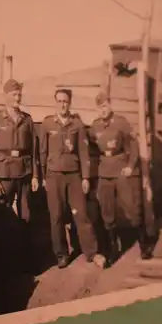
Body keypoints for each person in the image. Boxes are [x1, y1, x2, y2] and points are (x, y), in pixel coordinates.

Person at [40, 88, 106, 269]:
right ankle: (61, 254)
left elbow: (84, 153)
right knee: (57, 217)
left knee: (82, 215)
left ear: (70, 103)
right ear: (55, 103)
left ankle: (92, 253)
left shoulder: (77, 125)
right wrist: (43, 176)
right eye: (59, 101)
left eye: (66, 101)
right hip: (53, 177)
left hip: (74, 177)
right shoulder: (47, 124)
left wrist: (85, 177)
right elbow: (42, 152)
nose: (62, 104)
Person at [0, 78, 39, 271]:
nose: (17, 97)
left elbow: (34, 151)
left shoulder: (27, 120)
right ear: (5, 96)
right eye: (14, 94)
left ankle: (23, 261)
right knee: (1, 216)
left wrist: (35, 176)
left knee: (26, 216)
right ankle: (1, 262)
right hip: (3, 174)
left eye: (19, 94)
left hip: (24, 173)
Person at [89, 91, 153, 263]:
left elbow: (133, 145)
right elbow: (93, 150)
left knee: (132, 208)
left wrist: (130, 166)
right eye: (99, 107)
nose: (102, 110)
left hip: (120, 171)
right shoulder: (95, 127)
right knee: (107, 212)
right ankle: (113, 249)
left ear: (110, 105)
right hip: (104, 173)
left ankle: (144, 244)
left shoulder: (121, 123)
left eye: (104, 106)